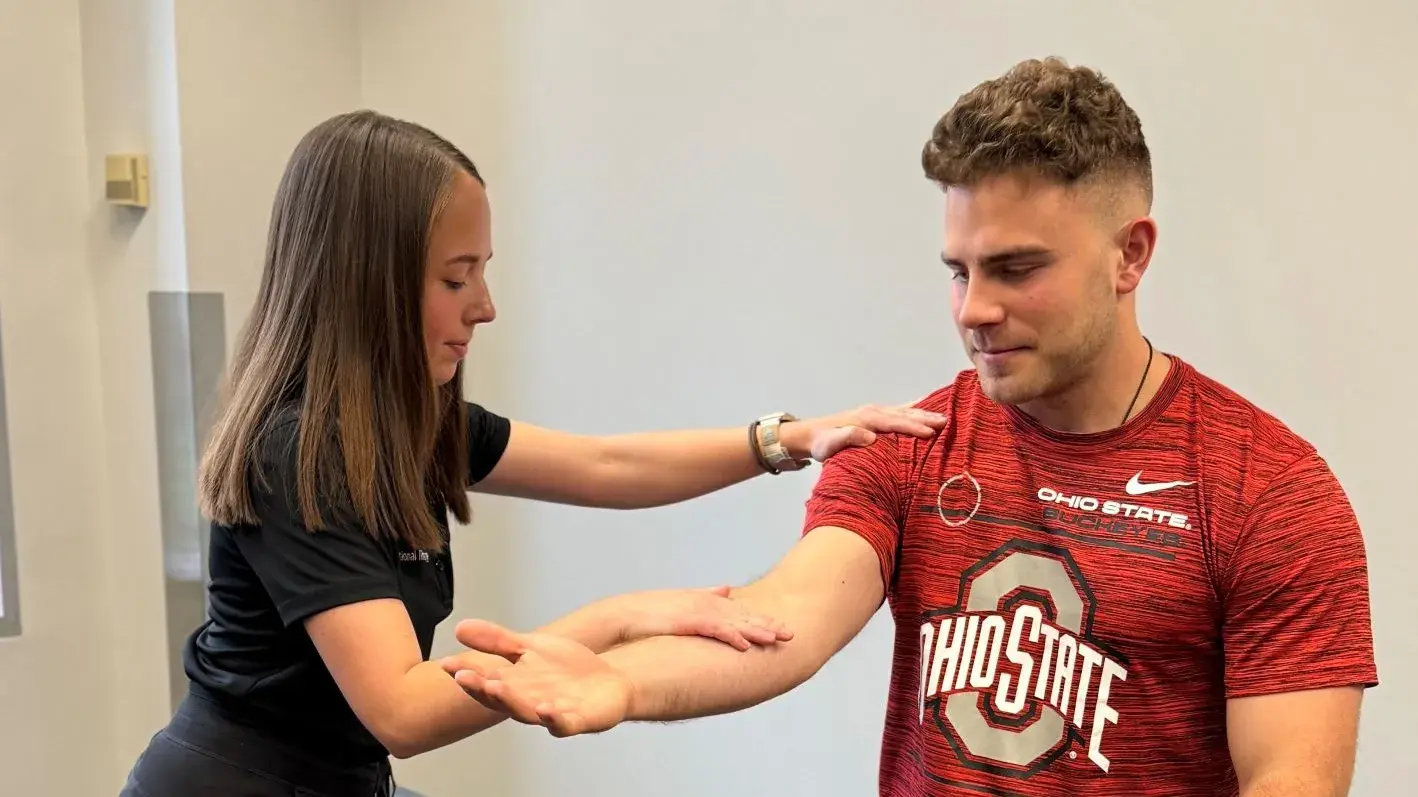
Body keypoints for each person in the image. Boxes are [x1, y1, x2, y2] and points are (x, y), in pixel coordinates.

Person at [442, 57, 1380, 797]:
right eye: (958, 270)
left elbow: (1291, 778)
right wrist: (625, 683)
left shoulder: (1269, 490)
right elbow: (786, 620)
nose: (973, 308)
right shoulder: (909, 443)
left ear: (1129, 255)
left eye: (1015, 269)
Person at [117, 110, 948, 797]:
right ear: (367, 281)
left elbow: (606, 466)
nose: (485, 306)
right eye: (456, 277)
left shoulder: (412, 422)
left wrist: (788, 439)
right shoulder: (297, 453)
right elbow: (403, 710)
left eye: (483, 271)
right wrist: (617, 621)